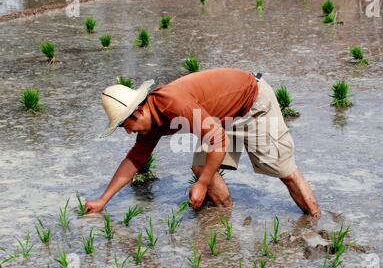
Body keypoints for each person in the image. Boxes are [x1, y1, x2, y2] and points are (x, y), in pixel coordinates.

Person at [85, 68, 320, 218]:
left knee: (284, 171)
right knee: (201, 166)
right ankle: (226, 217)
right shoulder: (149, 124)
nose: (127, 132)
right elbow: (134, 160)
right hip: (220, 118)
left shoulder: (172, 103)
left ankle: (316, 223)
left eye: (125, 126)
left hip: (253, 102)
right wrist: (102, 201)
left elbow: (218, 138)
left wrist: (203, 184)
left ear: (137, 112)